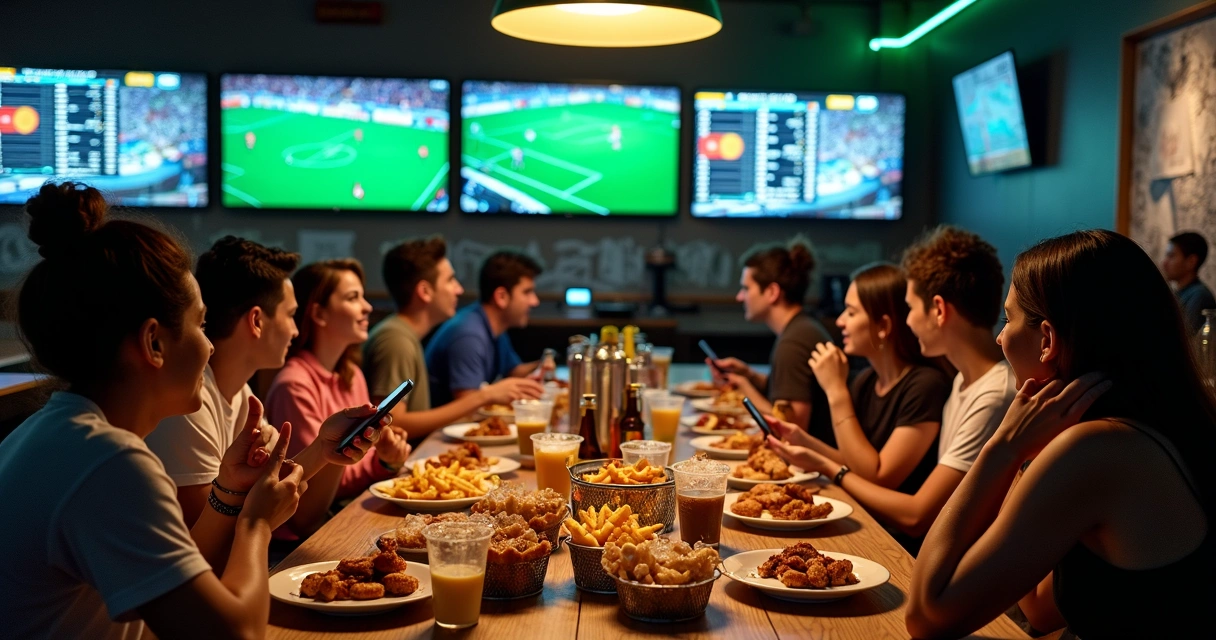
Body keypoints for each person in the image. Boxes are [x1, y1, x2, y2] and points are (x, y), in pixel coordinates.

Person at [0, 182, 371, 639]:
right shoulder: (109, 462)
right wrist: (255, 524)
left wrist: (230, 491)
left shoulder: (57, 434)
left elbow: (182, 566)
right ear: (154, 343)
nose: (210, 343)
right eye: (199, 323)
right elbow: (236, 633)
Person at [907, 230, 1216, 639]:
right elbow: (1038, 606)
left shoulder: (1095, 449)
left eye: (1009, 319)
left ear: (1047, 339)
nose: (1000, 337)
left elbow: (927, 615)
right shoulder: (1159, 425)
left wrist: (1004, 448)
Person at [768, 228, 1014, 555]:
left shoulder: (992, 393)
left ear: (939, 310)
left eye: (910, 308)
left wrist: (829, 465)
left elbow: (915, 516)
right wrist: (806, 445)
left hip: (949, 563)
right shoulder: (962, 381)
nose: (907, 321)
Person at [147, 237, 386, 526]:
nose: (296, 331)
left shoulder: (241, 394)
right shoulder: (187, 408)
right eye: (290, 315)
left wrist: (325, 447)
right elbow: (208, 540)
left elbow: (277, 483)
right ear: (257, 321)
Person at [766, 263, 950, 501]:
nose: (840, 321)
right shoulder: (867, 380)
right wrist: (803, 441)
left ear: (883, 326)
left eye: (851, 313)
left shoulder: (925, 385)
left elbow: (878, 476)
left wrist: (835, 390)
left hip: (892, 531)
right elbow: (853, 461)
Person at [265, 259, 412, 536]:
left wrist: (385, 460)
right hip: (300, 535)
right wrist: (377, 465)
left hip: (343, 512)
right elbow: (314, 492)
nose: (367, 306)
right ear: (319, 314)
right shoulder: (294, 384)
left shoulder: (351, 373)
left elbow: (354, 465)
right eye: (353, 297)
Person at [364, 237, 543, 439]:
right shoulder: (395, 340)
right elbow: (390, 424)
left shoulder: (403, 336)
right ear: (425, 291)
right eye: (450, 280)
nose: (459, 289)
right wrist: (486, 395)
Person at [708, 237, 836, 445]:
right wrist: (748, 375)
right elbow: (789, 392)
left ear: (772, 292)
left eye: (747, 289)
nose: (740, 297)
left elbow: (791, 429)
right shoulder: (802, 328)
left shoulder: (793, 343)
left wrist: (742, 388)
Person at [425, 250, 545, 407]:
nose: (534, 301)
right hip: (441, 431)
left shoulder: (494, 326)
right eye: (527, 292)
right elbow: (467, 405)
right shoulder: (469, 335)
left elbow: (514, 371)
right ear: (501, 297)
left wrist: (544, 364)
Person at [1161, 231, 1216, 334]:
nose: (1164, 263)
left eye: (1171, 256)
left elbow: (1184, 338)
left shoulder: (1199, 295)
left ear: (1191, 262)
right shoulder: (1180, 293)